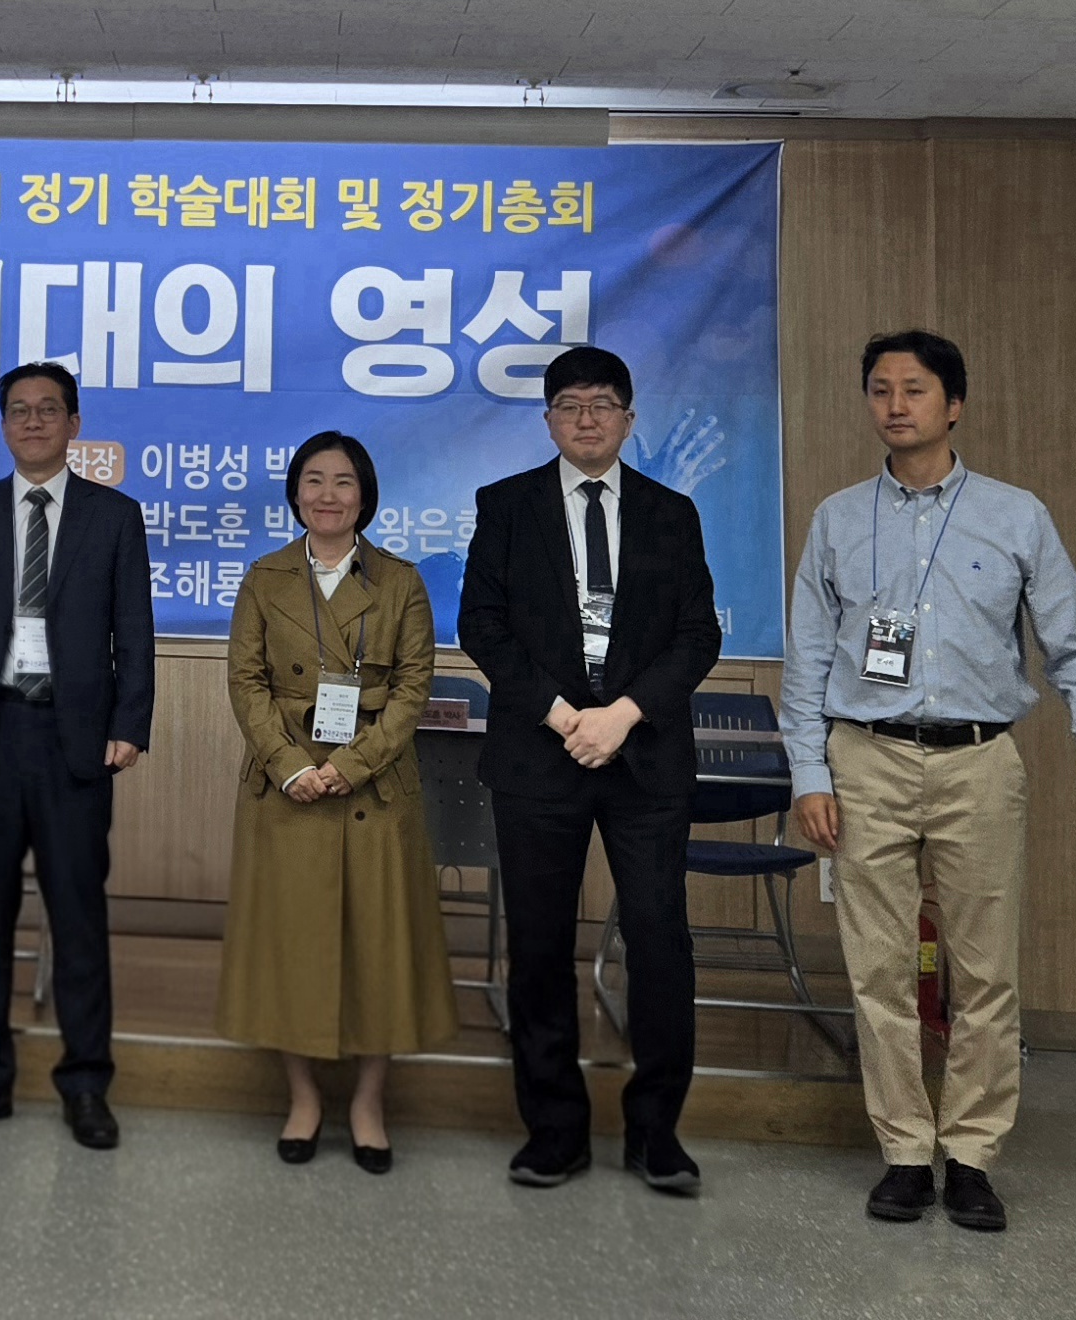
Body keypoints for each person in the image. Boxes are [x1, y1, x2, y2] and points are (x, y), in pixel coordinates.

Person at [783, 330, 1076, 1234]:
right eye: (880, 389)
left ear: (955, 405)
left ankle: (971, 1155)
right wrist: (810, 772)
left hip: (980, 761)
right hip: (866, 758)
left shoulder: (1016, 516)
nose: (895, 404)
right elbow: (808, 656)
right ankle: (904, 1152)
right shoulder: (837, 518)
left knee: (985, 971)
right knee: (879, 969)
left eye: (915, 389)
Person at [457, 345, 720, 1194]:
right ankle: (554, 1132)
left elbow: (698, 635)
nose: (586, 418)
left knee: (660, 942)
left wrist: (622, 714)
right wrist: (564, 715)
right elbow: (481, 625)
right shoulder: (506, 506)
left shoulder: (672, 513)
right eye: (569, 405)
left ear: (629, 419)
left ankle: (657, 1134)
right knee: (538, 946)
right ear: (547, 421)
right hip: (542, 757)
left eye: (603, 403)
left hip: (644, 758)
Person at [0, 362, 154, 1151]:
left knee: (79, 920)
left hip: (73, 741)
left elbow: (134, 629)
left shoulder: (114, 517)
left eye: (48, 409)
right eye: (18, 410)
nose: (32, 422)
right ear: (3, 424)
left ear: (74, 424)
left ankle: (85, 1086)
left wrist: (131, 722)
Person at [215, 431, 456, 1174]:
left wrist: (349, 765)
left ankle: (368, 1103)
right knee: (291, 947)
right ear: (295, 493)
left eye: (343, 481)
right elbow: (245, 681)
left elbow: (413, 689)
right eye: (314, 480)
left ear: (365, 496)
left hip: (372, 790)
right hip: (285, 787)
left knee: (379, 949)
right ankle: (304, 1099)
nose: (327, 495)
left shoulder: (401, 581)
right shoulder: (264, 577)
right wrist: (291, 765)